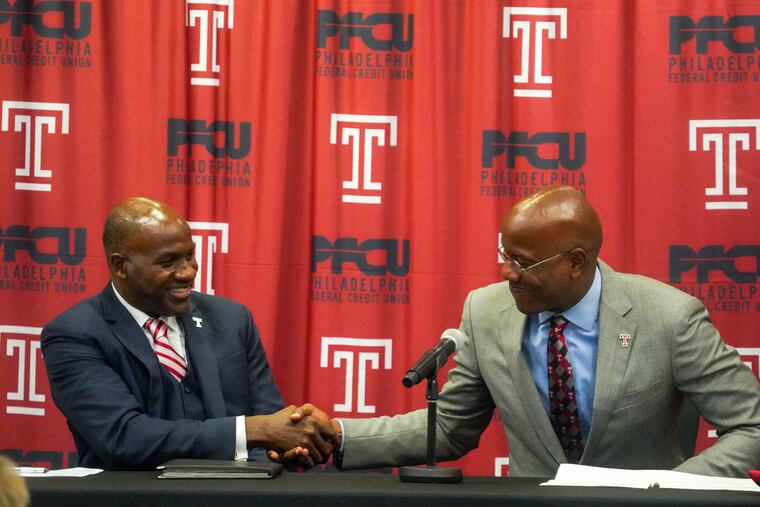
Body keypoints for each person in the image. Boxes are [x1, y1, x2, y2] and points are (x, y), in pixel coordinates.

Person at [283, 185, 760, 477]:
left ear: (577, 262)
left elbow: (751, 425)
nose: (507, 273)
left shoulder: (670, 317)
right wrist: (338, 434)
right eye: (504, 255)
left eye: (523, 262)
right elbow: (450, 427)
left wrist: (676, 487)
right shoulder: (487, 311)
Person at [42, 197, 335, 470]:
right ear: (121, 266)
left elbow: (271, 420)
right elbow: (122, 438)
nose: (188, 272)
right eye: (168, 262)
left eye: (190, 256)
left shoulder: (232, 319)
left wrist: (284, 445)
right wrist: (254, 431)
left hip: (236, 496)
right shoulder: (74, 334)